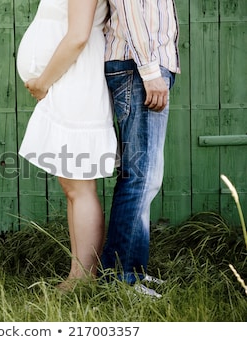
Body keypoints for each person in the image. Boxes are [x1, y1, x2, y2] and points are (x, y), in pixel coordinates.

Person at [16, 0, 117, 291]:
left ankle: (84, 278)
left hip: (76, 79)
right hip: (70, 80)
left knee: (80, 187)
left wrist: (43, 81)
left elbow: (77, 37)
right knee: (73, 187)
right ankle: (78, 273)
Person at [100, 0, 180, 295]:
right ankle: (119, 279)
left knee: (146, 178)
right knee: (140, 177)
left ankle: (133, 271)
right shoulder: (144, 71)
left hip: (142, 67)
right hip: (138, 68)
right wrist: (149, 71)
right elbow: (131, 10)